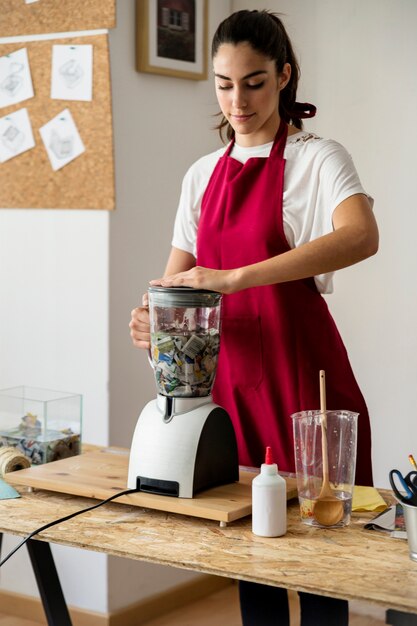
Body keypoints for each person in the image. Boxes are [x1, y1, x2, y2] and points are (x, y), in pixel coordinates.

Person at [130, 10, 378, 626]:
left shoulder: (317, 157)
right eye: (223, 83)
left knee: (322, 564)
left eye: (254, 82)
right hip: (229, 390)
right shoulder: (200, 176)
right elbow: (175, 285)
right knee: (251, 558)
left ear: (284, 76)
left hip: (303, 381)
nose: (237, 100)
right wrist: (153, 324)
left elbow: (361, 235)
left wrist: (237, 277)